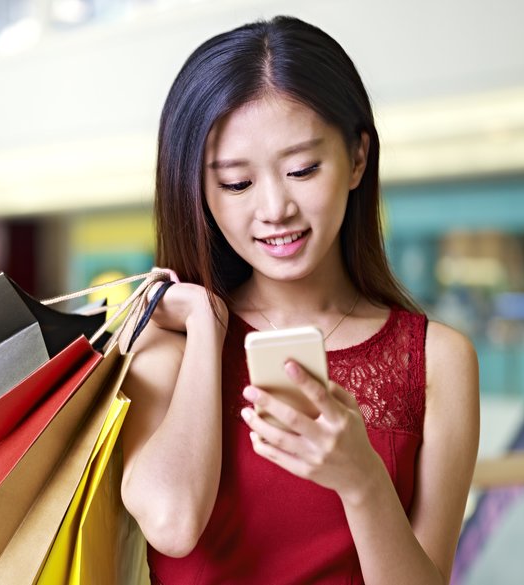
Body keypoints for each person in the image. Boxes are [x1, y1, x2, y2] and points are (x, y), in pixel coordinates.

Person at [119, 15, 480, 585]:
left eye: (302, 169)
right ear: (198, 187)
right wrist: (208, 328)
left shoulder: (437, 360)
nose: (274, 208)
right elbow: (172, 522)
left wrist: (361, 480)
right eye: (237, 183)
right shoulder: (171, 344)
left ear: (358, 158)